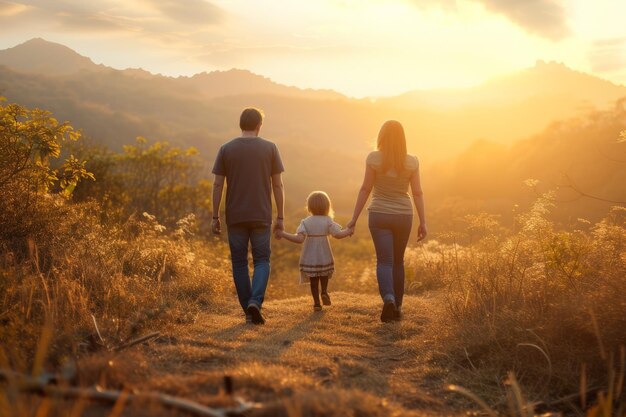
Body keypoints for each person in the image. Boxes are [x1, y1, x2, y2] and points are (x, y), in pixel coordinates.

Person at [346, 120, 427, 323]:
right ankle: (397, 308)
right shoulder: (412, 161)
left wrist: (353, 219)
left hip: (379, 214)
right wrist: (423, 221)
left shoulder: (373, 158)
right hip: (404, 216)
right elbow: (417, 192)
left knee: (384, 261)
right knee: (398, 261)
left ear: (381, 137)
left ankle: (388, 299)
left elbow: (365, 188)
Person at [211, 107, 285, 325]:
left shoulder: (226, 149)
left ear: (240, 124)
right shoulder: (270, 148)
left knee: (239, 263)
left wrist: (215, 216)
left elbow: (218, 184)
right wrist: (280, 216)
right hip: (261, 214)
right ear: (259, 126)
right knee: (262, 260)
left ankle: (248, 309)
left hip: (235, 216)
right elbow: (278, 184)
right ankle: (255, 302)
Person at [276, 191, 353, 311]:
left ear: (310, 207)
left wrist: (282, 234)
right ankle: (324, 292)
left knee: (313, 281)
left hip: (310, 256)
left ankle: (317, 303)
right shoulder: (327, 220)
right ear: (327, 206)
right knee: (324, 275)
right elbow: (338, 234)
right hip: (324, 255)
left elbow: (299, 239)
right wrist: (349, 231)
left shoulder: (305, 222)